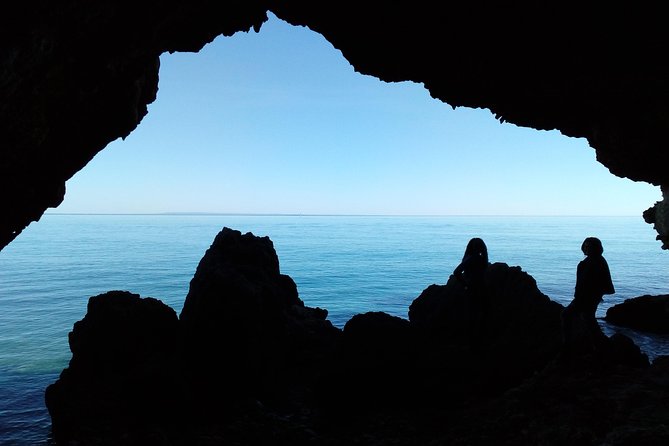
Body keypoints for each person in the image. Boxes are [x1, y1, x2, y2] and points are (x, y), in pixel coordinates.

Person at [562, 236, 615, 354]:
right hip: (585, 297)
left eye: (589, 246)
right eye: (585, 246)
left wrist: (589, 295)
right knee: (588, 319)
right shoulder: (594, 260)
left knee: (569, 316)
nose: (586, 248)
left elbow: (594, 281)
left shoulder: (596, 261)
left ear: (596, 248)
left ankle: (572, 344)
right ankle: (597, 345)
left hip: (586, 297)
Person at [453, 238, 489, 346]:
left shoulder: (472, 258)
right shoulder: (474, 258)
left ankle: (472, 340)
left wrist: (465, 285)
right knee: (476, 315)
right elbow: (456, 272)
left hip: (474, 288)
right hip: (476, 289)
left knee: (473, 314)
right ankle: (474, 341)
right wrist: (466, 285)